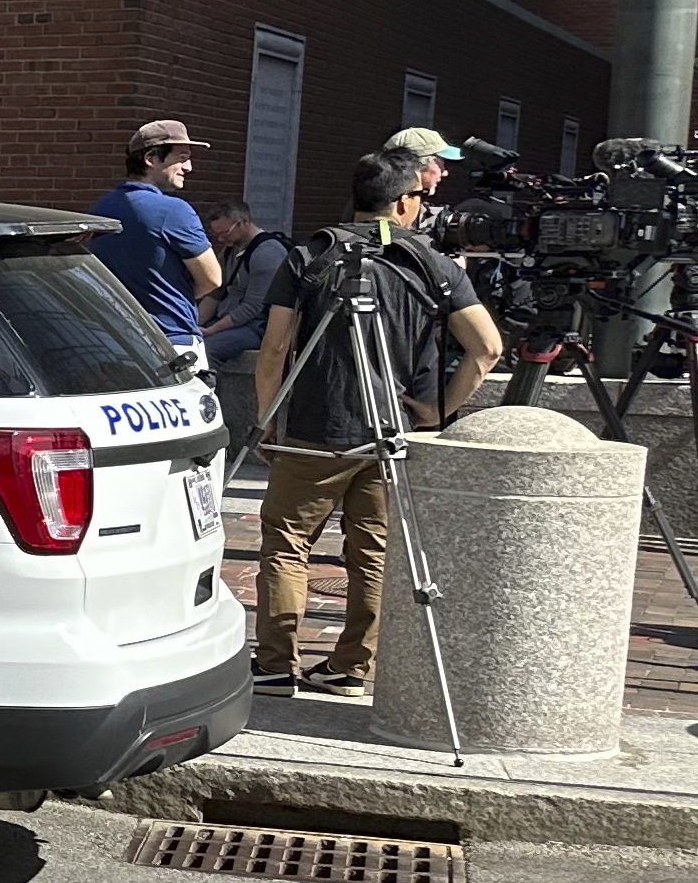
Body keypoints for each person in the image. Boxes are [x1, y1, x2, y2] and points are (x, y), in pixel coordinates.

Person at [252, 149, 504, 694]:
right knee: (373, 550)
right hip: (393, 429)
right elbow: (486, 348)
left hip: (313, 429)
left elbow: (273, 350)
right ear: (404, 201)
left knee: (288, 544)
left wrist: (267, 417)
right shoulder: (432, 263)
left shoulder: (309, 255)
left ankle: (274, 663)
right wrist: (440, 410)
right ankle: (351, 666)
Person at [89, 120, 222, 359]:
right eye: (182, 157)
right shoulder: (174, 211)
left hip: (112, 342)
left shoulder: (101, 209)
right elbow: (212, 279)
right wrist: (173, 293)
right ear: (151, 158)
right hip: (171, 343)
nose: (189, 167)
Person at [199, 200, 291, 464]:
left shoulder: (267, 252)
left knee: (207, 351)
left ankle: (210, 418)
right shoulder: (230, 251)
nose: (221, 238)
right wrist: (194, 325)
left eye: (225, 232)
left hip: (257, 326)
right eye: (217, 234)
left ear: (245, 222)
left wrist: (210, 331)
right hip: (228, 319)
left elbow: (252, 307)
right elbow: (216, 293)